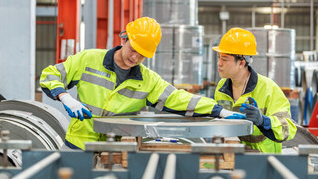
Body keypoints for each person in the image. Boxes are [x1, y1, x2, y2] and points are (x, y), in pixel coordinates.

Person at [40, 17, 244, 150]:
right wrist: (65, 97)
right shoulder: (89, 60)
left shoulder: (148, 80)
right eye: (133, 49)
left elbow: (178, 99)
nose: (135, 57)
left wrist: (219, 111)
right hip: (78, 145)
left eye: (142, 55)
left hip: (118, 149)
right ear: (124, 39)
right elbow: (50, 75)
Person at [212, 27, 297, 153]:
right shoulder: (221, 87)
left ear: (241, 63)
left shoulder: (269, 89)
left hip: (264, 160)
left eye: (224, 59)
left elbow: (288, 129)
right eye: (219, 57)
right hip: (231, 157)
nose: (219, 63)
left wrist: (263, 121)